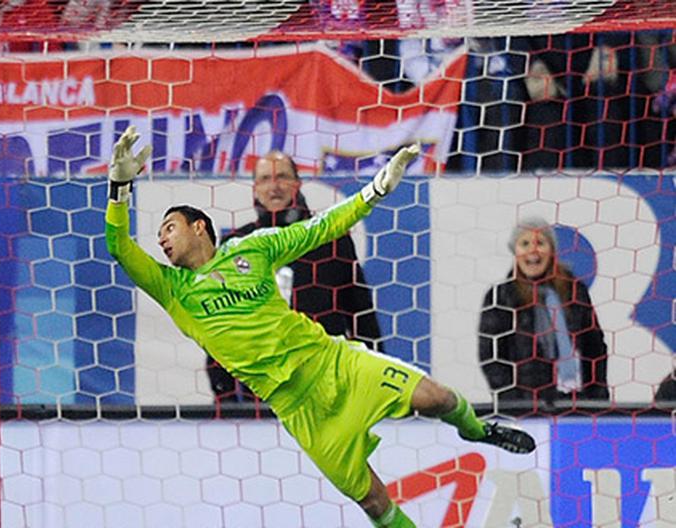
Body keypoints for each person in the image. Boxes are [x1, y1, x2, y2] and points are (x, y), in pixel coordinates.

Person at [105, 126, 536, 528]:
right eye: (159, 234)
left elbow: (323, 226)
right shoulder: (172, 288)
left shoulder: (252, 249)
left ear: (199, 226)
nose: (161, 240)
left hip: (333, 362)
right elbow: (119, 246)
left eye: (169, 228)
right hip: (297, 407)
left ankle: (479, 430)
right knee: (372, 501)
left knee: (435, 396)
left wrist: (375, 189)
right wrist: (119, 189)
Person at [208, 150, 381, 402]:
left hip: (324, 385)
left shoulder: (331, 239)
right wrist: (224, 395)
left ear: (298, 184)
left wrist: (375, 383)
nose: (274, 186)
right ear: (255, 188)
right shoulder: (235, 245)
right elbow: (219, 326)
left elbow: (360, 314)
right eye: (265, 179)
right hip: (259, 392)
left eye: (283, 177)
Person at [478, 218, 609, 412]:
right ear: (515, 251)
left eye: (540, 243)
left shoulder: (574, 291)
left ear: (552, 250)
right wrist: (513, 402)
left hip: (576, 404)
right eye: (525, 243)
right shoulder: (501, 296)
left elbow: (594, 347)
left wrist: (595, 398)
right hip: (524, 407)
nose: (533, 250)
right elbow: (491, 357)